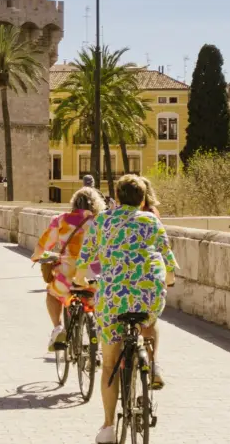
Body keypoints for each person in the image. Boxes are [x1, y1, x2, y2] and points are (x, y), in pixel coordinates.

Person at [75, 174, 179, 444]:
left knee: (109, 362)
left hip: (113, 299)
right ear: (143, 199)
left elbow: (85, 257)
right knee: (149, 320)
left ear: (116, 198)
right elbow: (168, 260)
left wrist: (80, 280)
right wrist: (168, 280)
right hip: (149, 294)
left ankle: (109, 427)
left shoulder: (103, 220)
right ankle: (153, 365)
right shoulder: (151, 220)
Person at [31, 186, 105, 351]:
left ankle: (58, 328)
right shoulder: (101, 222)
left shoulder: (61, 220)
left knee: (52, 292)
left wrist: (37, 256)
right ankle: (97, 343)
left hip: (67, 277)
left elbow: (42, 245)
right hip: (94, 278)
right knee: (99, 301)